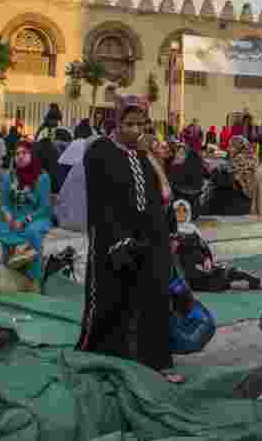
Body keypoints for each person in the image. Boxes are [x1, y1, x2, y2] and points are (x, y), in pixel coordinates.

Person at [75, 95, 179, 383]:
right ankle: (98, 357)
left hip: (150, 237)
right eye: (129, 124)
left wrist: (169, 233)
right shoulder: (99, 152)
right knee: (110, 299)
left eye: (141, 124)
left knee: (154, 299)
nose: (135, 130)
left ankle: (155, 362)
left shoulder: (146, 153)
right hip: (113, 237)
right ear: (117, 123)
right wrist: (118, 239)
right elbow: (101, 201)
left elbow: (164, 196)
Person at [0, 141, 53, 291]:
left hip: (36, 219)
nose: (20, 156)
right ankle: (19, 251)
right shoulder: (9, 176)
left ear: (32, 155)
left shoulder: (42, 177)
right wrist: (9, 218)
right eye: (17, 153)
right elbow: (4, 204)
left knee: (32, 232)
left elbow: (45, 207)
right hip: (13, 219)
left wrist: (25, 220)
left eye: (24, 153)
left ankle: (34, 280)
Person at [170, 199, 262, 291]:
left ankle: (257, 282)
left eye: (184, 210)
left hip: (204, 265)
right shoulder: (171, 231)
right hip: (190, 272)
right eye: (177, 211)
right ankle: (239, 284)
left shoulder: (193, 229)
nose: (181, 213)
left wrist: (207, 259)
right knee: (218, 278)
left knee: (229, 270)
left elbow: (204, 247)